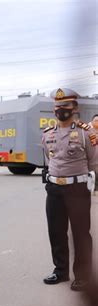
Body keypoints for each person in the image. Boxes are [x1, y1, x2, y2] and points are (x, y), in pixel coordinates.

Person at [41, 88, 97, 291]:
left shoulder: (86, 133)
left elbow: (94, 162)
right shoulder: (47, 134)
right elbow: (50, 159)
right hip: (54, 188)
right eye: (57, 106)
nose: (60, 109)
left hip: (77, 188)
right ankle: (61, 271)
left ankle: (83, 275)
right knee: (56, 231)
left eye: (65, 105)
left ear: (75, 107)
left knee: (81, 233)